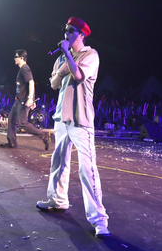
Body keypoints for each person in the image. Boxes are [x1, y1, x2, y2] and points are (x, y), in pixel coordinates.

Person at [36, 17, 110, 238]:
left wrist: (68, 55)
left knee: (87, 170)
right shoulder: (60, 59)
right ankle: (57, 200)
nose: (66, 34)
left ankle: (99, 220)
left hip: (81, 121)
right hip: (61, 118)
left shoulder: (91, 55)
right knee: (59, 162)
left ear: (82, 35)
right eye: (65, 30)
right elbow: (53, 84)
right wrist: (63, 64)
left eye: (71, 31)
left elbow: (78, 75)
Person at [0, 49, 50, 150]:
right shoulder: (22, 69)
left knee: (23, 123)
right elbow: (26, 85)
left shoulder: (24, 68)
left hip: (23, 102)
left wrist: (30, 99)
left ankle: (43, 135)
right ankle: (12, 142)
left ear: (21, 58)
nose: (14, 58)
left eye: (16, 57)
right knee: (11, 119)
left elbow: (31, 82)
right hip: (19, 100)